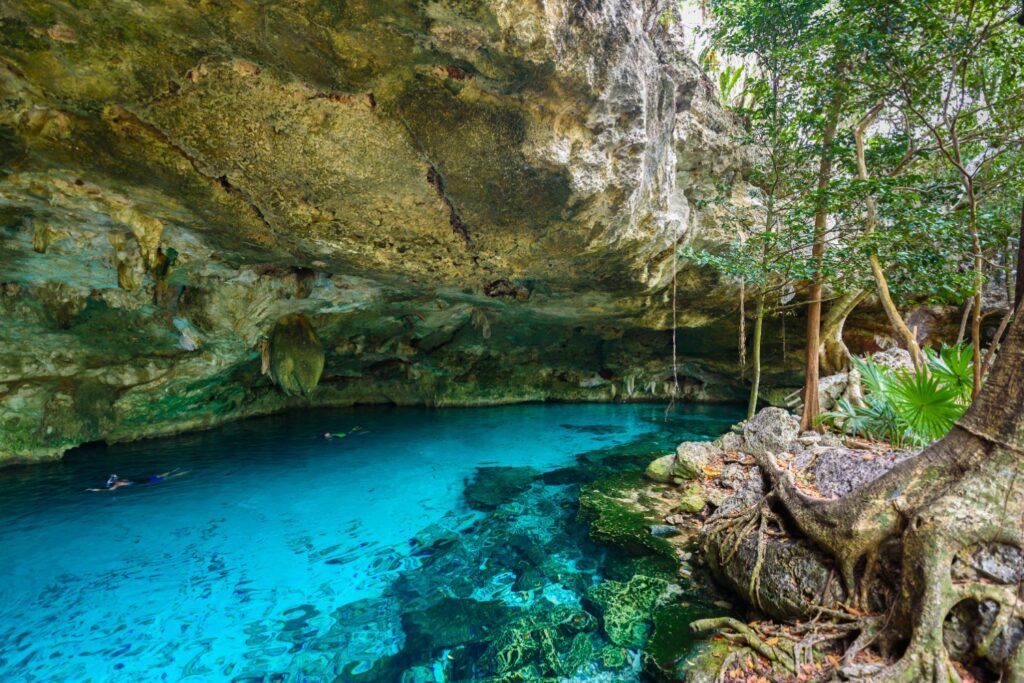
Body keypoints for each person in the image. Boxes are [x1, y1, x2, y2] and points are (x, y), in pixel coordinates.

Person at [87, 469, 188, 492]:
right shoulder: (117, 484)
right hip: (145, 481)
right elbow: (106, 489)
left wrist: (93, 489)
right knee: (164, 477)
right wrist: (92, 489)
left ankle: (175, 471)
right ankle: (179, 472)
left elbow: (107, 487)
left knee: (161, 476)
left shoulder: (119, 482)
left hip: (144, 479)